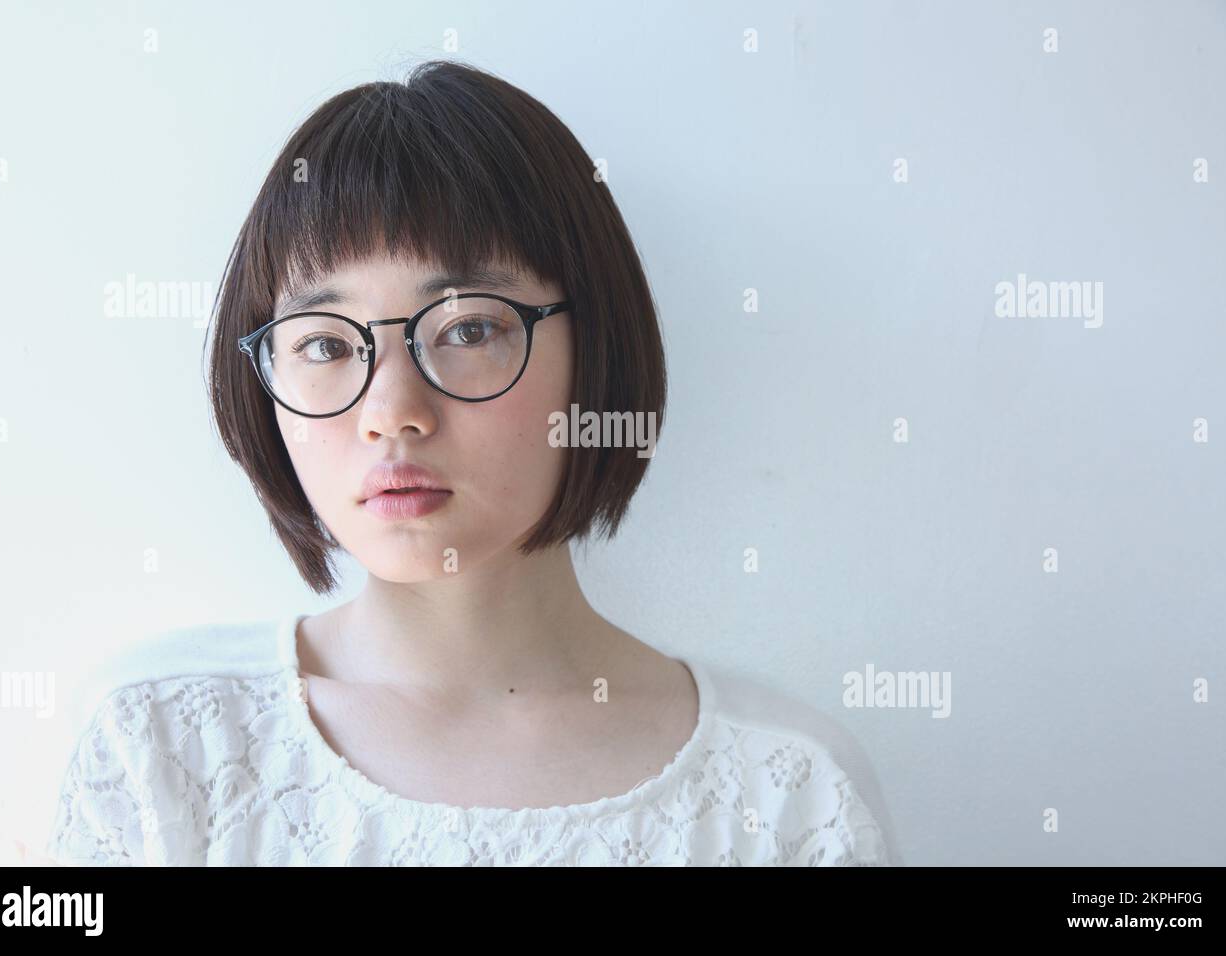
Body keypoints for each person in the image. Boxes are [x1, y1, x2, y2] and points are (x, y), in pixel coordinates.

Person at [44, 59, 902, 866]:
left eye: (467, 329)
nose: (392, 415)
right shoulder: (160, 751)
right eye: (325, 343)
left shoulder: (786, 796)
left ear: (595, 347)